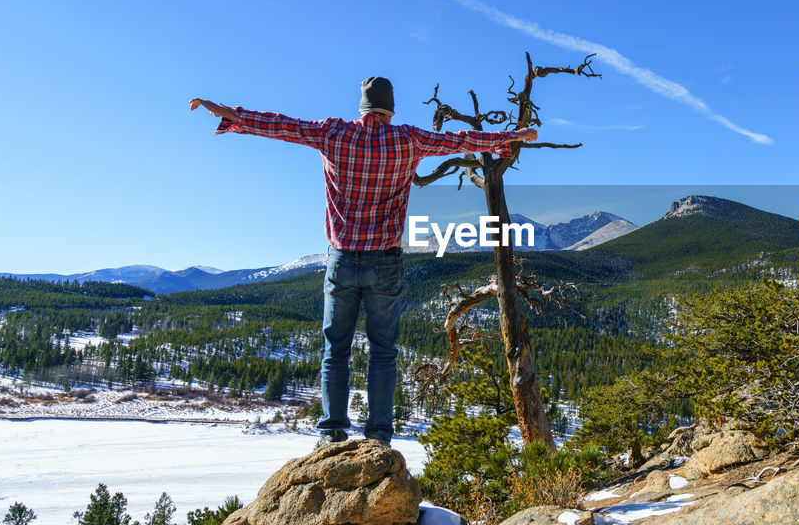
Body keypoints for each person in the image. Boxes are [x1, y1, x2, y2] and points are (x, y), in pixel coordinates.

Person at [189, 76, 538, 447]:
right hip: (385, 262)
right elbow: (460, 140)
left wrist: (228, 113)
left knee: (335, 349)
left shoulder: (332, 133)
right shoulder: (408, 139)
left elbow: (281, 125)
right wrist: (510, 136)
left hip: (341, 260)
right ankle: (378, 438)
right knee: (383, 351)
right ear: (390, 109)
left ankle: (332, 433)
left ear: (362, 107)